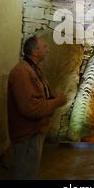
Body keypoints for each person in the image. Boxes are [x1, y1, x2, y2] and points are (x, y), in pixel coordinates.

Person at [7, 36, 67, 179]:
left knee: (30, 173)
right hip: (27, 135)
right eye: (45, 46)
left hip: (34, 132)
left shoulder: (32, 69)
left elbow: (39, 98)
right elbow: (31, 108)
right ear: (35, 51)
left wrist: (51, 100)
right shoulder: (22, 72)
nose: (48, 49)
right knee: (25, 174)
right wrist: (58, 101)